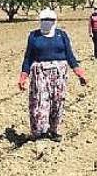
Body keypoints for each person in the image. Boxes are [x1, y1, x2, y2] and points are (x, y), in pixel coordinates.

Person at [18, 8, 88, 142]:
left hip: (59, 73)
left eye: (50, 20)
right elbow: (28, 57)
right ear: (40, 21)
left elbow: (70, 55)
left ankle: (54, 130)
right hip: (40, 73)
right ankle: (39, 131)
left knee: (57, 101)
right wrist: (23, 75)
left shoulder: (61, 35)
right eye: (44, 20)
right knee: (39, 101)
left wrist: (79, 73)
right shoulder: (34, 36)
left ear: (55, 21)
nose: (47, 23)